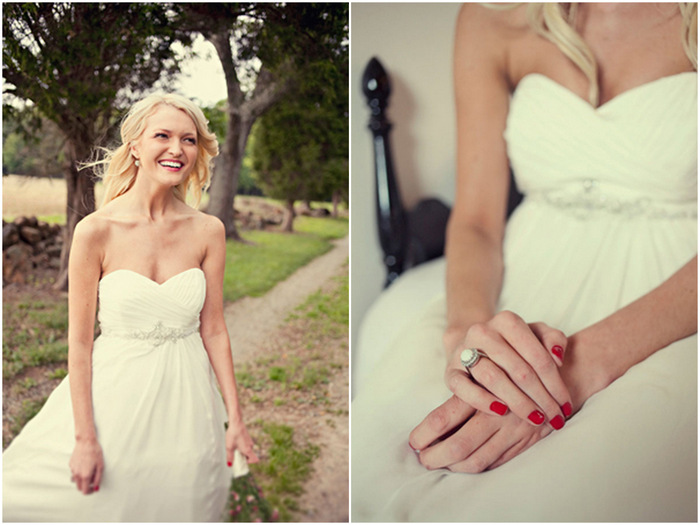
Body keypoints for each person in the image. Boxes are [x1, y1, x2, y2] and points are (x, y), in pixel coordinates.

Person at [352, 3, 697, 522]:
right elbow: (476, 221)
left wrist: (579, 365)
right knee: (394, 460)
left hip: (674, 303)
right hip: (520, 282)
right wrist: (471, 340)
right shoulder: (492, 16)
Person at [3, 93, 259, 521]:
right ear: (136, 146)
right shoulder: (95, 231)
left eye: (189, 140)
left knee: (181, 504)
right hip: (114, 396)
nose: (177, 149)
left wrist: (236, 417)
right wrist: (85, 439)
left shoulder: (208, 231)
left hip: (189, 402)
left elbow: (213, 328)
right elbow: (80, 344)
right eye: (163, 135)